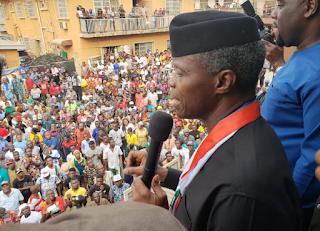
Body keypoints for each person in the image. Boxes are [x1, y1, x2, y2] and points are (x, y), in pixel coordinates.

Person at [125, 11, 301, 231]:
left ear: (223, 82)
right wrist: (164, 175)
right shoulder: (237, 133)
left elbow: (226, 192)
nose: (170, 82)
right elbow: (211, 188)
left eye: (180, 73)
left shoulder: (243, 193)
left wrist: (156, 222)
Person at [261, 0, 320, 228]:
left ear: (309, 7)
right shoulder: (303, 53)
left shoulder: (316, 71)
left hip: (288, 208)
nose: (274, 14)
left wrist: (288, 204)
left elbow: (313, 152)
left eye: (281, 4)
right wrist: (279, 63)